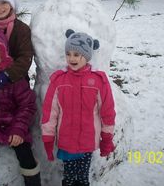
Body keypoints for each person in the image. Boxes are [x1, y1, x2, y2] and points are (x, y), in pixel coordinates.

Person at [41, 29, 116, 186]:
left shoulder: (98, 81)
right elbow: (50, 112)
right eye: (68, 54)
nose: (71, 58)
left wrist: (107, 139)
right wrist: (48, 137)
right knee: (68, 178)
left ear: (87, 56)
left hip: (87, 141)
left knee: (82, 178)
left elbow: (107, 112)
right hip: (66, 141)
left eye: (76, 54)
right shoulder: (59, 80)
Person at [0, 27, 41, 186]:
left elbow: (27, 105)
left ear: (4, 54)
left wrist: (18, 129)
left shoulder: (13, 77)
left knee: (25, 153)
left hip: (13, 120)